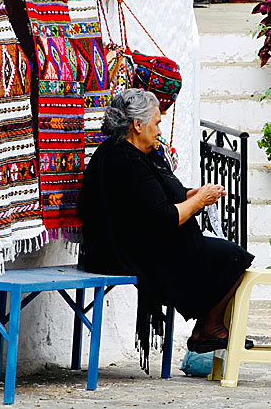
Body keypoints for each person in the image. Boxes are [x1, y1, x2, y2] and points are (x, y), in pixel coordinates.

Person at [80, 89, 254, 369]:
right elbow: (164, 218)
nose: (160, 129)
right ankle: (208, 330)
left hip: (138, 245)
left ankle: (205, 331)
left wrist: (196, 194)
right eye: (157, 123)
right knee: (232, 256)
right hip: (122, 253)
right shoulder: (123, 161)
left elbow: (167, 196)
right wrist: (199, 201)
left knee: (223, 254)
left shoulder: (142, 154)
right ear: (138, 125)